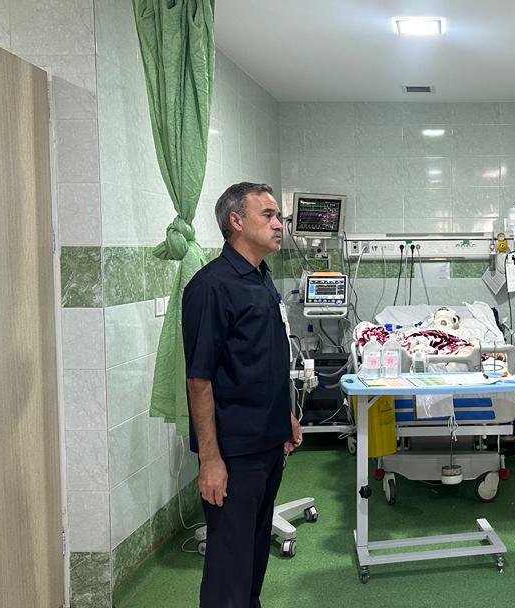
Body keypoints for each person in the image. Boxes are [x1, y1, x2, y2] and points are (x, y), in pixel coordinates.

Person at [182, 182, 303, 608]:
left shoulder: (260, 277)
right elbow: (199, 380)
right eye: (268, 215)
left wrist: (285, 416)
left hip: (267, 444)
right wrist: (211, 460)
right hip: (234, 452)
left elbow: (261, 361)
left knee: (252, 560)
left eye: (278, 216)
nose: (278, 224)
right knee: (229, 568)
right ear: (236, 221)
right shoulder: (212, 287)